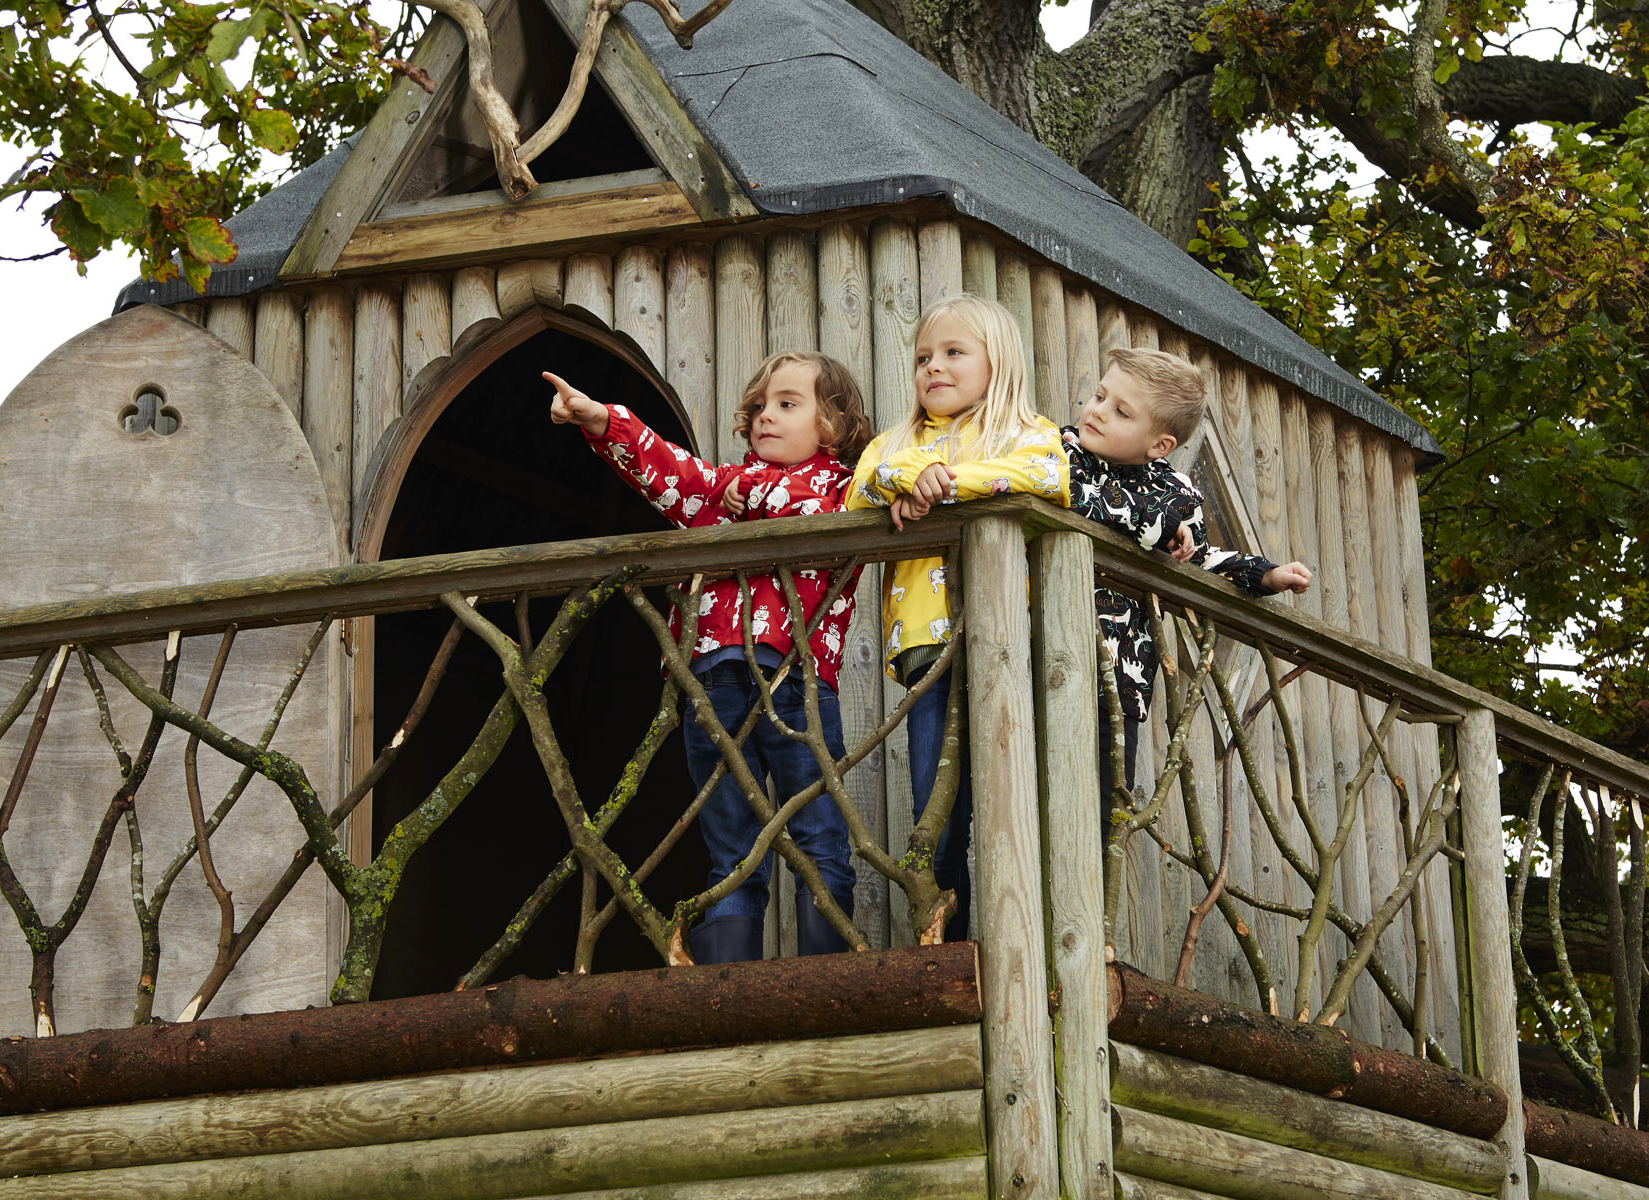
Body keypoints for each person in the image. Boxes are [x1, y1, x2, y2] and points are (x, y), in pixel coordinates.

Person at [543, 351, 875, 964]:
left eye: (786, 404)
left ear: (832, 426)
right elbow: (670, 472)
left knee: (819, 834)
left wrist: (730, 498)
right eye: (757, 408)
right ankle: (732, 988)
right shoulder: (725, 491)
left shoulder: (845, 488)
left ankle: (830, 980)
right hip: (713, 676)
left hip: (793, 679)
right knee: (730, 845)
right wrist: (602, 421)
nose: (763, 417)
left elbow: (810, 507)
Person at [845, 293, 1068, 940]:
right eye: (922, 357)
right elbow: (864, 479)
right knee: (936, 811)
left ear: (997, 362)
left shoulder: (1025, 430)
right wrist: (919, 472)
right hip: (925, 647)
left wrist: (948, 485)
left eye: (953, 353)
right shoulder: (901, 442)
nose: (933, 367)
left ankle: (1021, 947)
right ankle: (948, 952)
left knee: (1010, 801)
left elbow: (1048, 475)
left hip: (1007, 639)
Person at [1061, 347, 1312, 815]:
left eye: (1120, 411)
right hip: (1043, 650)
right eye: (1099, 396)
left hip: (1119, 679)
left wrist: (1264, 574)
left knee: (1098, 808)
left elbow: (1198, 559)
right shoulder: (1059, 453)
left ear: (1159, 445)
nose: (1096, 412)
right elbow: (1074, 496)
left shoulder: (1177, 495)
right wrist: (1150, 522)